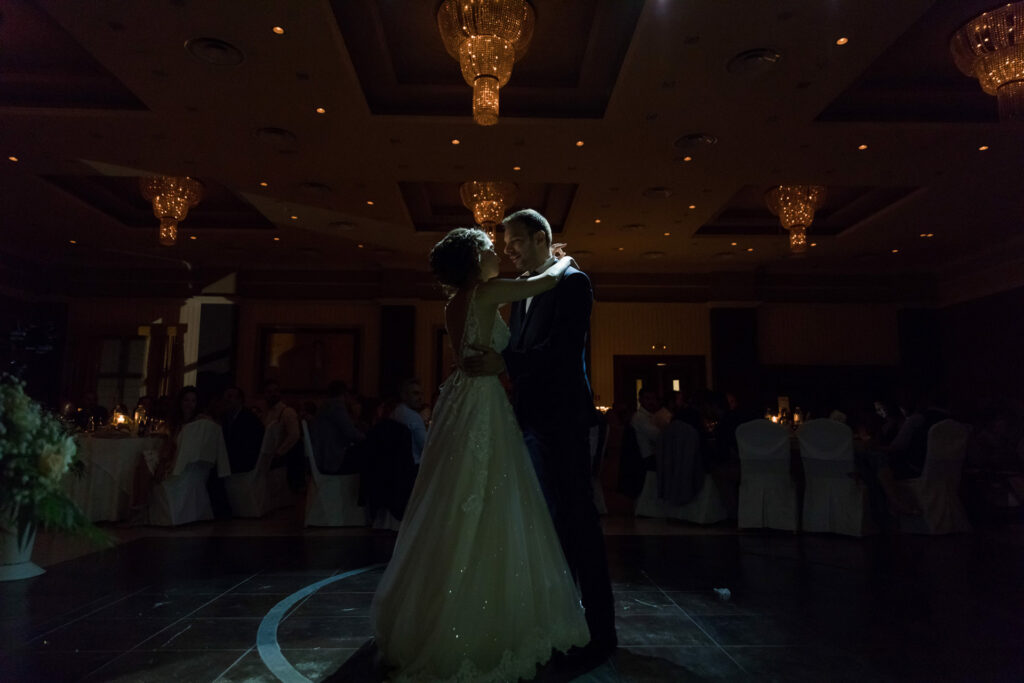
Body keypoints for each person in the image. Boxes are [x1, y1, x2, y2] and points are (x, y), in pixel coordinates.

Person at [368, 227, 588, 682]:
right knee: (490, 490)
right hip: (483, 398)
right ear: (473, 260)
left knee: (458, 493)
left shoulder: (454, 303)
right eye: (488, 249)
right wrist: (565, 259)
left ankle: (440, 604)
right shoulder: (486, 292)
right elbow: (545, 282)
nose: (496, 253)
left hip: (459, 397)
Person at [464, 208, 617, 671]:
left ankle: (601, 632)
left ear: (539, 238)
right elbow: (521, 346)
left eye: (514, 241)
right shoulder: (523, 290)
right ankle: (562, 620)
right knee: (548, 524)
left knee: (578, 520)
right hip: (529, 419)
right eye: (505, 244)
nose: (507, 250)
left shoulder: (573, 282)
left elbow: (562, 351)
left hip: (563, 420)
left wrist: (506, 365)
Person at [309, 380, 364, 475]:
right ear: (345, 393)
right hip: (333, 460)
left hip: (323, 457)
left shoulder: (325, 406)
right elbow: (351, 433)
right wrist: (368, 438)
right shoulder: (336, 406)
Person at [261, 379, 304, 491]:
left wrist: (279, 452)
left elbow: (294, 435)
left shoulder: (287, 412)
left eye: (276, 391)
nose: (273, 394)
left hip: (284, 459)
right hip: (271, 456)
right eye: (269, 392)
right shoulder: (267, 413)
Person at [221, 386, 264, 473]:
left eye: (230, 396)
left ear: (239, 400)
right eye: (225, 397)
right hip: (230, 464)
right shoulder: (226, 417)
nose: (226, 400)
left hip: (244, 466)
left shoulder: (250, 419)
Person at [390, 378, 427, 466]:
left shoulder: (395, 412)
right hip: (414, 466)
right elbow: (425, 446)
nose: (420, 398)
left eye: (421, 394)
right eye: (415, 393)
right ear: (404, 395)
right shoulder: (414, 417)